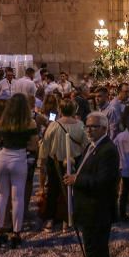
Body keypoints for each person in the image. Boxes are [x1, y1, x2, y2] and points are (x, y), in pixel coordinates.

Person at [64, 111, 119, 257]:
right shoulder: (92, 145)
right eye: (87, 126)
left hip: (97, 210)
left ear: (104, 128)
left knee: (96, 254)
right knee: (96, 253)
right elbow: (86, 168)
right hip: (89, 209)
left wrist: (77, 180)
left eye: (93, 126)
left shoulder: (108, 150)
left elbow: (104, 182)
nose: (88, 129)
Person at [0, 94, 38, 248]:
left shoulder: (3, 122)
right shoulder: (30, 123)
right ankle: (16, 233)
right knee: (17, 197)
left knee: (1, 195)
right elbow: (33, 146)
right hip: (18, 158)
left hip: (2, 157)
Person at [39, 98, 88, 230]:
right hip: (74, 160)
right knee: (73, 190)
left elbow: (45, 145)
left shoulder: (53, 125)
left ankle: (51, 218)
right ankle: (69, 217)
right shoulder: (80, 125)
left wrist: (42, 160)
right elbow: (86, 144)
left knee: (53, 190)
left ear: (60, 110)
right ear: (74, 110)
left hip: (55, 161)